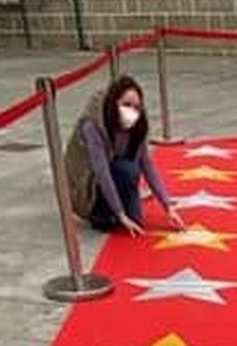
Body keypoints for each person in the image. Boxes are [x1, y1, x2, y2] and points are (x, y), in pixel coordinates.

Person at [64, 73, 185, 237]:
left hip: (120, 172)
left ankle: (120, 206)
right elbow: (101, 172)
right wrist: (120, 213)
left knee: (136, 219)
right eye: (126, 104)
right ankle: (103, 212)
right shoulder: (93, 125)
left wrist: (168, 206)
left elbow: (146, 164)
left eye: (136, 107)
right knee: (108, 222)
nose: (131, 111)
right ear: (114, 103)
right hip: (90, 183)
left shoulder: (138, 124)